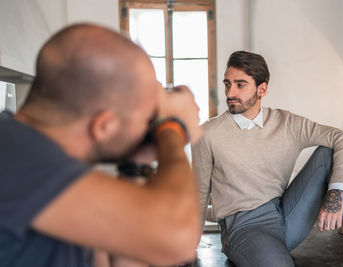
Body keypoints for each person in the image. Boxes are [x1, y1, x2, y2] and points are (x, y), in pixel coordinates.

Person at [0, 24, 203, 267]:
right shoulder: (17, 155)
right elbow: (178, 240)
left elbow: (127, 258)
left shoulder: (35, 156)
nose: (149, 127)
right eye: (147, 119)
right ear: (104, 126)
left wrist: (135, 166)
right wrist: (173, 129)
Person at [191, 50, 343, 267]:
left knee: (328, 152)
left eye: (240, 85)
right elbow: (198, 194)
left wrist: (336, 195)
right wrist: (187, 246)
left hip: (286, 215)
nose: (230, 92)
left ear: (262, 89)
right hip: (243, 228)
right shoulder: (207, 134)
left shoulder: (287, 123)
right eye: (227, 84)